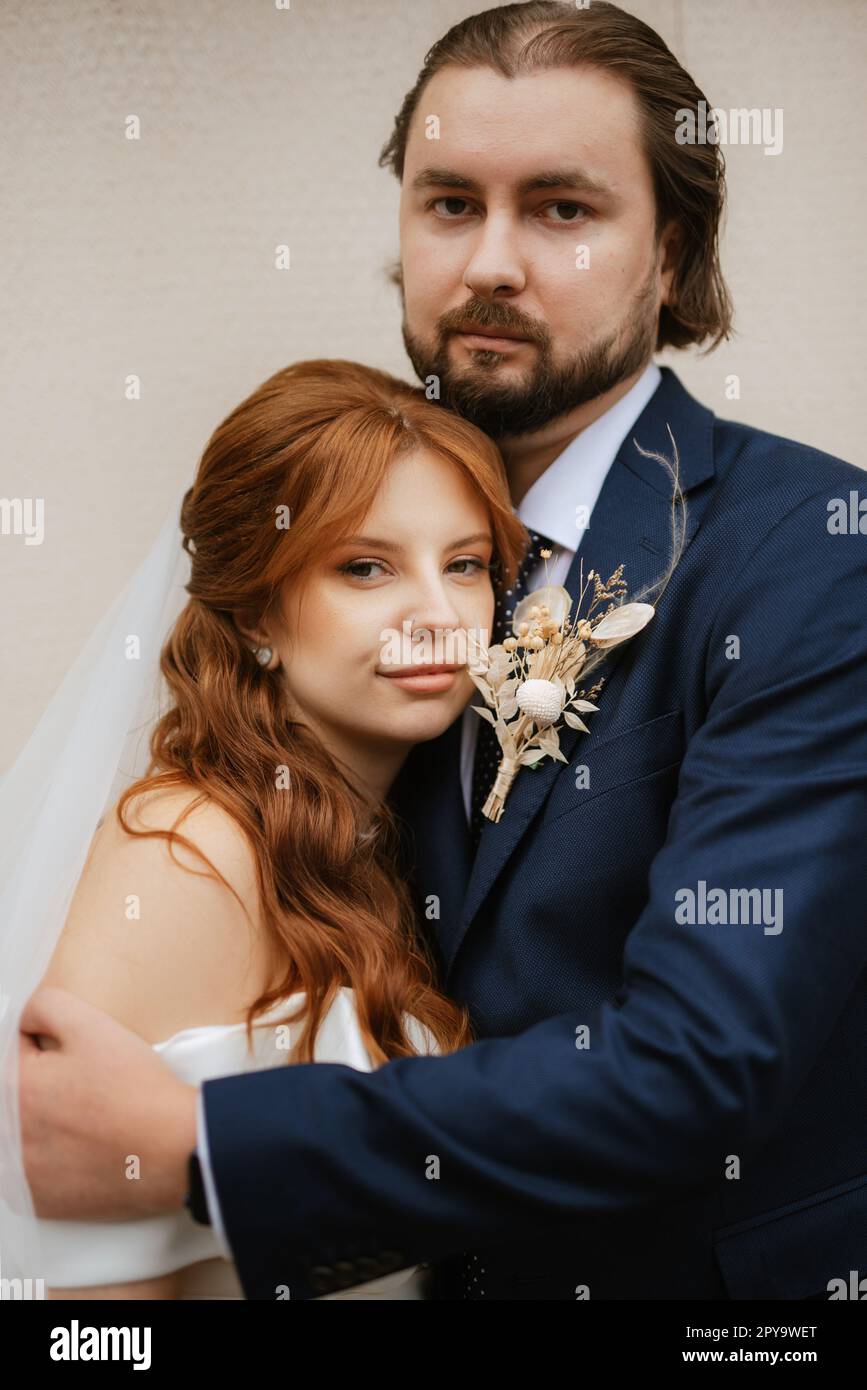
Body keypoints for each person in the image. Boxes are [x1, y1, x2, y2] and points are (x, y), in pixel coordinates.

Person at [17, 1, 867, 1301]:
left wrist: (201, 1145)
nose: (489, 262)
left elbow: (698, 1059)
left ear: (669, 250)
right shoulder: (325, 537)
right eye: (448, 203)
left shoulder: (808, 550)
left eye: (562, 209)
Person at [1, 356, 526, 1299]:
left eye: (465, 565)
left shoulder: (380, 841)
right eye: (365, 568)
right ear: (255, 614)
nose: (440, 618)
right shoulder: (189, 856)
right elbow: (94, 1288)